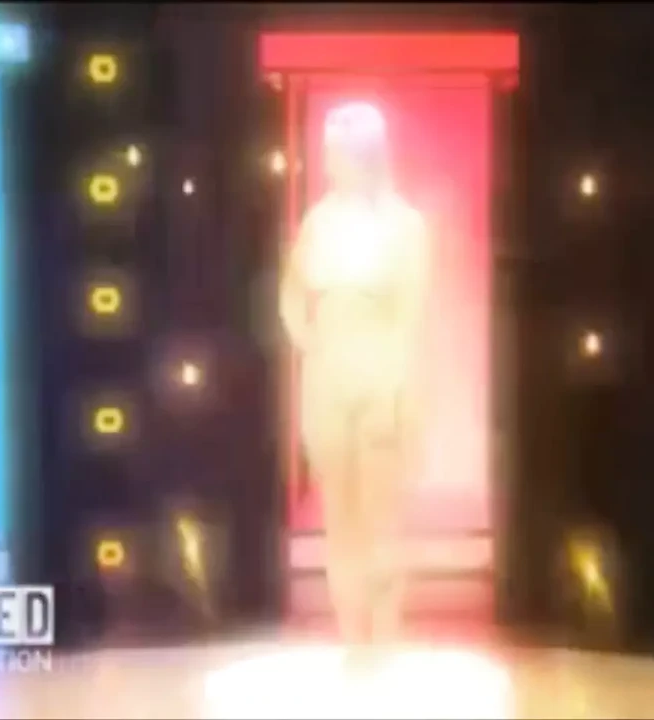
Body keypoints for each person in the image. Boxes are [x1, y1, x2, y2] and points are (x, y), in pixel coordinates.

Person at [279, 101, 428, 658]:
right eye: (328, 151)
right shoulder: (317, 222)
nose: (330, 162)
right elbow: (291, 294)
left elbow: (413, 315)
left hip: (382, 374)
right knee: (338, 514)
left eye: (339, 151)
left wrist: (398, 386)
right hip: (328, 376)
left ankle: (385, 639)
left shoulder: (405, 224)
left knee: (380, 515)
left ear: (368, 154)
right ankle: (353, 641)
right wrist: (308, 339)